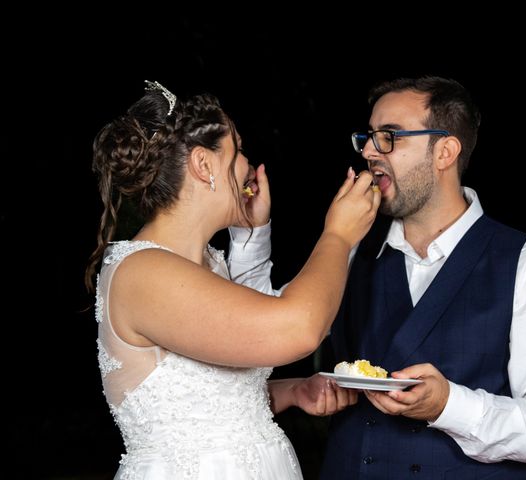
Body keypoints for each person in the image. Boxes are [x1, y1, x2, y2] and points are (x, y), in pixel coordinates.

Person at [85, 80, 379, 479]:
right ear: (204, 165)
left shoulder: (208, 263)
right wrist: (339, 236)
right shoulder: (143, 272)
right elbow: (297, 328)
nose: (246, 164)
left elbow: (214, 400)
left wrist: (293, 391)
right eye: (237, 149)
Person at [317, 75, 526, 479]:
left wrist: (450, 406)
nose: (370, 152)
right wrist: (252, 236)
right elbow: (266, 334)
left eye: (390, 137)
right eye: (368, 137)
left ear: (445, 151)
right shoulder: (351, 249)